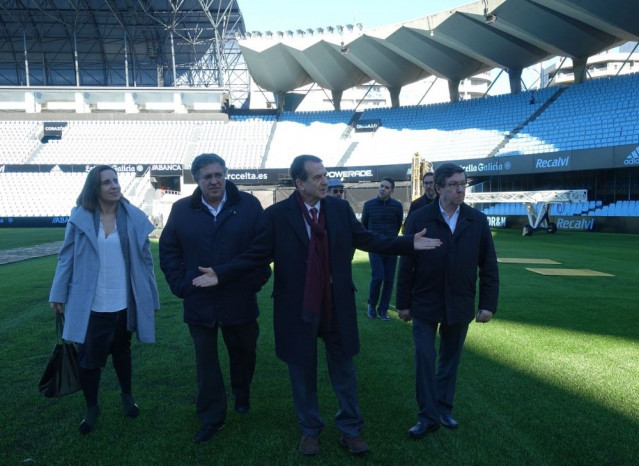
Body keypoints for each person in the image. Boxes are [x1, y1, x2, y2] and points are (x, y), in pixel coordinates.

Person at [191, 155, 442, 456]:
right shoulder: (277, 215)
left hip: (337, 305)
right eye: (317, 177)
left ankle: (350, 430)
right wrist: (222, 272)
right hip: (297, 308)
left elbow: (366, 238)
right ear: (300, 184)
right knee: (302, 370)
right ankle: (309, 430)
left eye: (325, 175)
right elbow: (255, 255)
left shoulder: (339, 208)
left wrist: (407, 243)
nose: (325, 181)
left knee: (344, 370)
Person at [158, 153, 271, 443]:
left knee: (244, 355)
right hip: (199, 301)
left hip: (240, 299)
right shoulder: (182, 209)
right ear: (197, 179)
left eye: (218, 174)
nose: (214, 181)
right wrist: (181, 285)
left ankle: (241, 392)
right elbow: (169, 250)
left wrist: (253, 283)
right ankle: (211, 417)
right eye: (207, 176)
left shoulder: (248, 205)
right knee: (206, 364)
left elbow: (263, 249)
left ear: (226, 174)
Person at [49, 165, 160, 435]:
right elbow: (66, 257)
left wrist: (152, 297)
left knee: (122, 353)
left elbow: (146, 262)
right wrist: (58, 293)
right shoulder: (80, 218)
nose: (114, 186)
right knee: (89, 360)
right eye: (106, 183)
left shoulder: (133, 217)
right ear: (94, 189)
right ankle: (92, 408)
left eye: (116, 181)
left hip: (124, 302)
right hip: (91, 304)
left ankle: (127, 396)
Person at [396, 162, 499, 439]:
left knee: (449, 361)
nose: (460, 189)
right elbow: (406, 263)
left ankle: (443, 408)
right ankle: (427, 416)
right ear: (438, 187)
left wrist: (488, 304)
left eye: (463, 183)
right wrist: (402, 303)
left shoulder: (477, 220)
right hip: (424, 302)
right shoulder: (420, 218)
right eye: (454, 184)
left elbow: (488, 265)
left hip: (460, 302)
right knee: (424, 358)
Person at [361, 177, 404, 321]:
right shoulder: (369, 205)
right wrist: (373, 240)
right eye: (381, 186)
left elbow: (398, 225)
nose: (382, 189)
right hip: (375, 247)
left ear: (392, 190)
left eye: (386, 187)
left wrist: (390, 239)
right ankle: (371, 306)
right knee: (378, 277)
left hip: (391, 247)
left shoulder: (397, 206)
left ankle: (383, 310)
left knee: (389, 280)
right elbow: (364, 225)